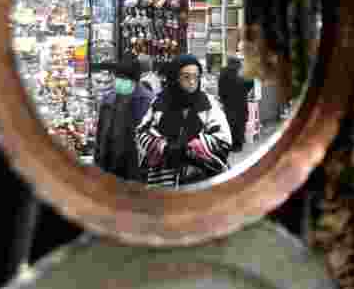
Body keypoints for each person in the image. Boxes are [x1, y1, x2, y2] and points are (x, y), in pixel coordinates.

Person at [135, 54, 232, 188]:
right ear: (175, 78)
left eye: (196, 77)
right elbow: (141, 133)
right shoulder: (160, 103)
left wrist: (191, 148)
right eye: (186, 77)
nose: (192, 82)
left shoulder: (208, 104)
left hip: (202, 182)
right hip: (163, 182)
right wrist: (163, 147)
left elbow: (224, 139)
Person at [93, 56, 154, 181]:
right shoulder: (109, 100)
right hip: (109, 167)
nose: (120, 82)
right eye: (119, 77)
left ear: (135, 80)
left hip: (136, 171)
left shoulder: (147, 102)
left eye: (125, 79)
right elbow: (101, 135)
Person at [218, 56, 254, 153]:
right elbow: (250, 83)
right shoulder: (241, 72)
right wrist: (245, 92)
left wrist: (222, 99)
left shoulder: (223, 72)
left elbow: (220, 88)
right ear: (238, 63)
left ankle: (230, 144)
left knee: (230, 123)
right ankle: (238, 145)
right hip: (240, 102)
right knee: (240, 123)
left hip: (228, 103)